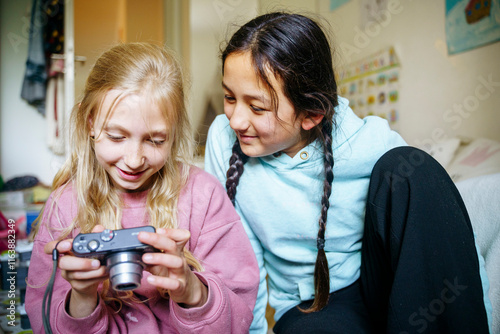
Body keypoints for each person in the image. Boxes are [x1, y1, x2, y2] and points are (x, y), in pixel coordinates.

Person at [205, 12, 491, 334]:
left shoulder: (369, 142)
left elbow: (441, 230)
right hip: (311, 305)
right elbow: (240, 256)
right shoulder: (223, 140)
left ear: (311, 114)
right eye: (229, 97)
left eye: (257, 108)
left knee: (412, 167)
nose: (236, 120)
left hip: (380, 282)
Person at [25, 42, 259, 334]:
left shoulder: (203, 196)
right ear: (90, 123)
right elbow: (43, 322)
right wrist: (82, 297)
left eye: (155, 141)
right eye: (117, 136)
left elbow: (238, 321)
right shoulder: (65, 205)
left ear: (174, 135)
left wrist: (192, 292)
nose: (134, 160)